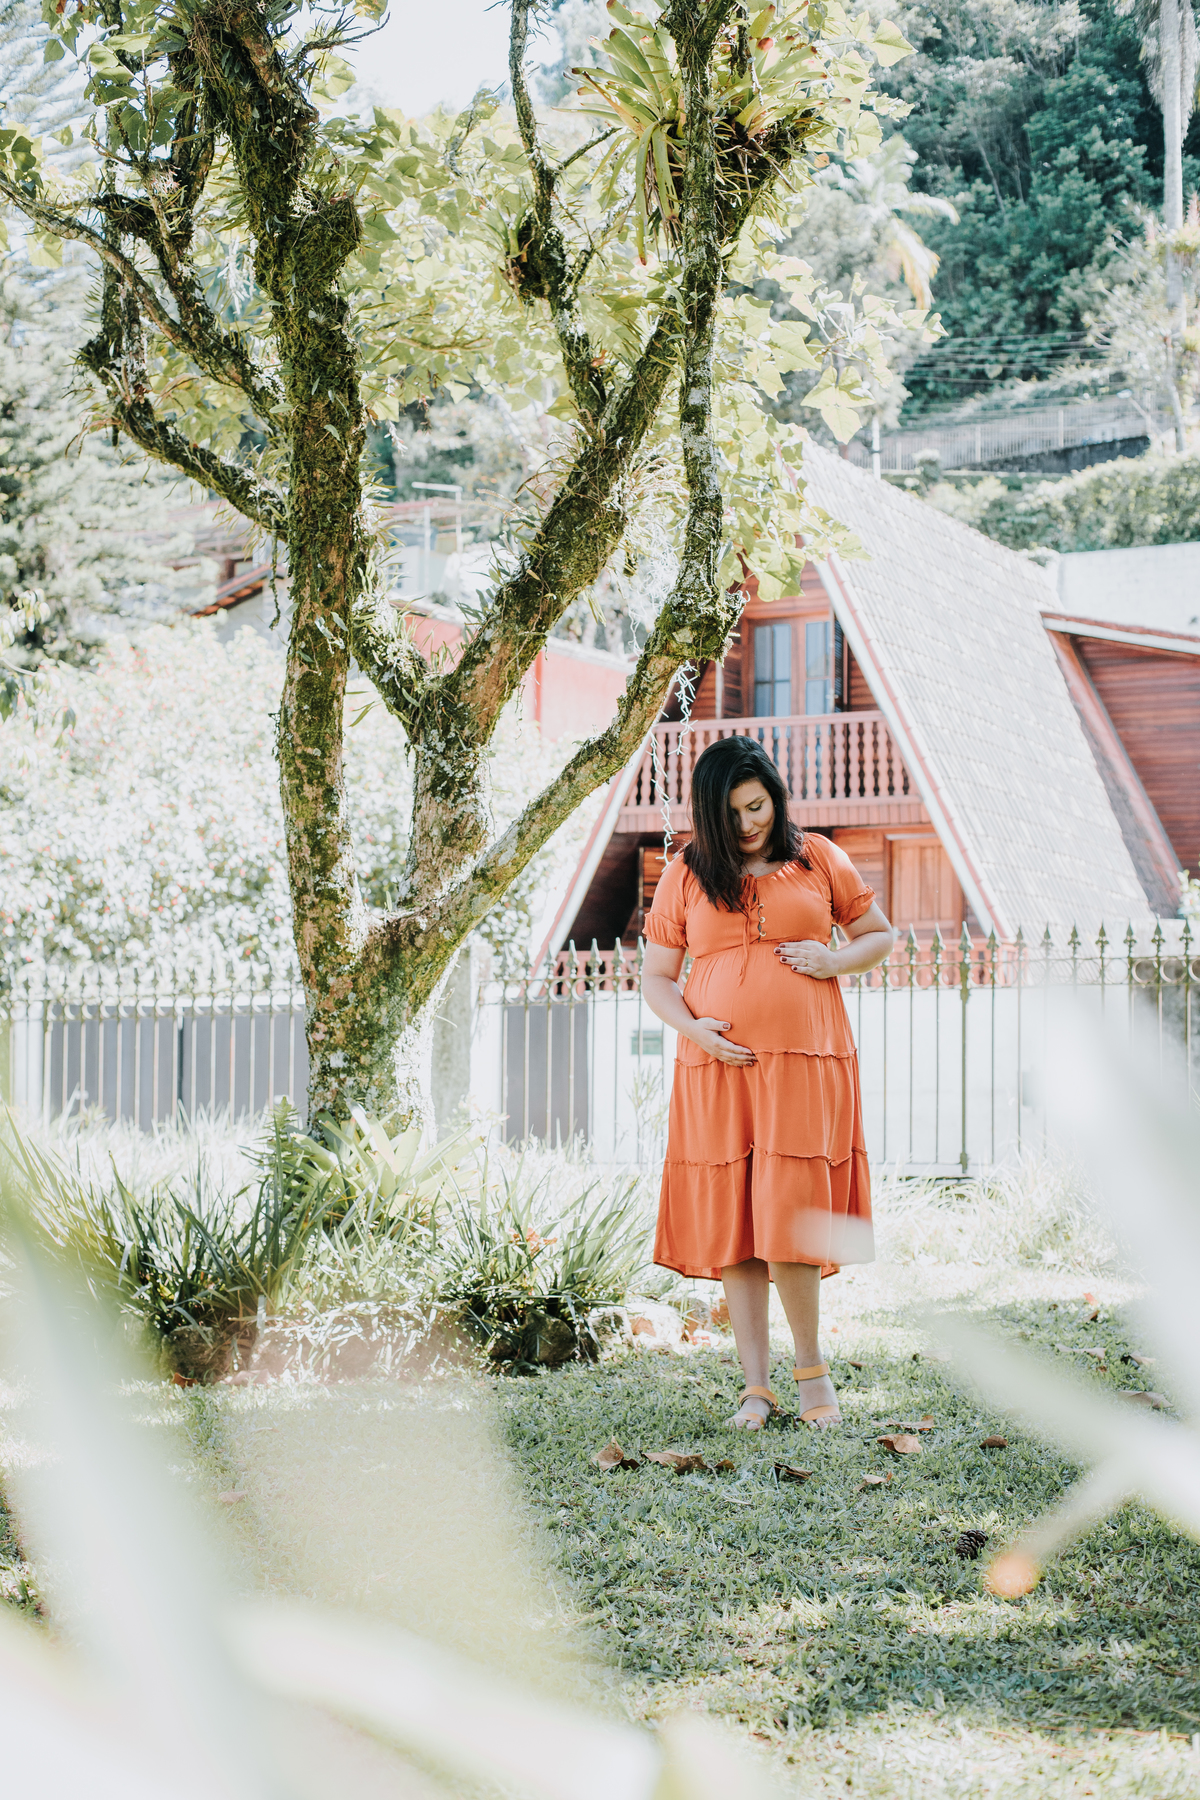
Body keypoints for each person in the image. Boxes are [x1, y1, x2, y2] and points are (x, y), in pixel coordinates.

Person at [639, 734, 895, 1429]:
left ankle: (814, 1378)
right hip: (718, 1067)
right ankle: (756, 1389)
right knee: (736, 1219)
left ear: (775, 796)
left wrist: (833, 960)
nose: (748, 823)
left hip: (804, 1064)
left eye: (757, 806)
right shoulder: (686, 873)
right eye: (731, 814)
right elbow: (657, 979)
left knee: (791, 1209)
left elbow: (879, 935)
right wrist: (696, 1031)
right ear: (708, 815)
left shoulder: (818, 857)